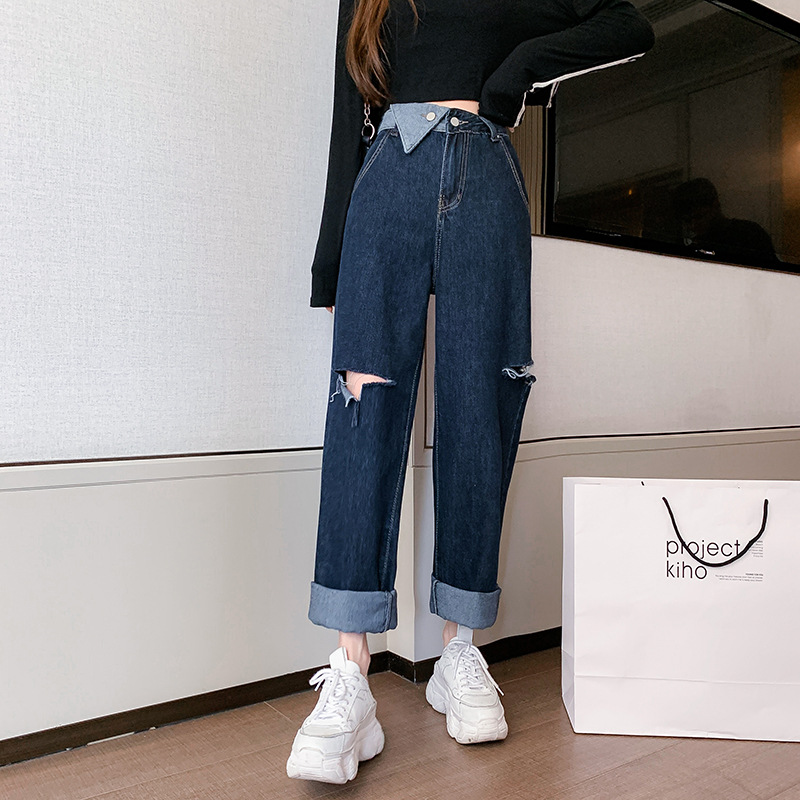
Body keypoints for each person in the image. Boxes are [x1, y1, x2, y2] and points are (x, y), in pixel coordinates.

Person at [287, 0, 655, 785]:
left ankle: (460, 650)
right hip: (387, 177)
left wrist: (518, 72)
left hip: (486, 173)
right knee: (363, 415)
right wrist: (331, 264)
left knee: (479, 411)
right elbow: (348, 111)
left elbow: (628, 23)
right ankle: (351, 671)